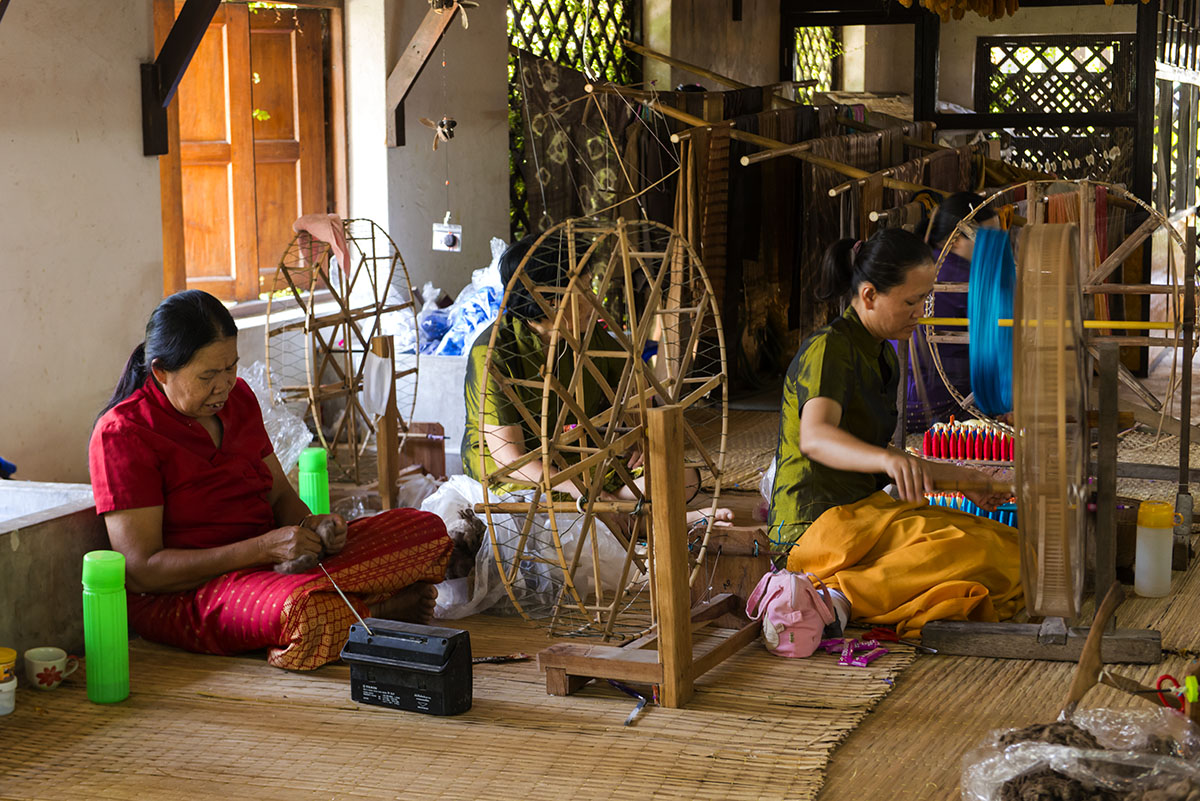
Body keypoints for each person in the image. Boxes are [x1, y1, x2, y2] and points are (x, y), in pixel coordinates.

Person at [88, 290, 452, 670]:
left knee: (424, 529)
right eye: (208, 375)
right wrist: (261, 549)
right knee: (306, 613)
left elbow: (279, 496)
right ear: (161, 371)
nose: (224, 385)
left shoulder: (239, 398)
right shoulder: (124, 432)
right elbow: (143, 570)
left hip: (274, 570)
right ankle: (379, 608)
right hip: (189, 594)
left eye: (230, 367)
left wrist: (315, 527)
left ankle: (352, 612)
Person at [767, 228, 1022, 638]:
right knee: (978, 552)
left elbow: (876, 454)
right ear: (869, 296)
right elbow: (815, 437)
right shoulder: (830, 348)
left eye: (925, 298)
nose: (921, 311)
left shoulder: (882, 353)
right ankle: (838, 597)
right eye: (911, 300)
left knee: (1004, 545)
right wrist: (889, 459)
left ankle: (849, 593)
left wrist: (966, 479)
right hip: (814, 528)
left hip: (862, 517)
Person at [462, 234, 731, 525]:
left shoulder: (586, 333)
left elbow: (631, 385)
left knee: (684, 477)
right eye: (585, 288)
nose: (594, 297)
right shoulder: (493, 354)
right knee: (583, 514)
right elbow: (511, 458)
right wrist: (585, 491)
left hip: (574, 456)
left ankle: (625, 513)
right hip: (520, 476)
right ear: (550, 300)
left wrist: (640, 434)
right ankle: (668, 521)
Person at [903, 191, 1000, 428]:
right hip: (937, 406)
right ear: (956, 240)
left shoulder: (919, 261)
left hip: (897, 398)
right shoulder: (964, 278)